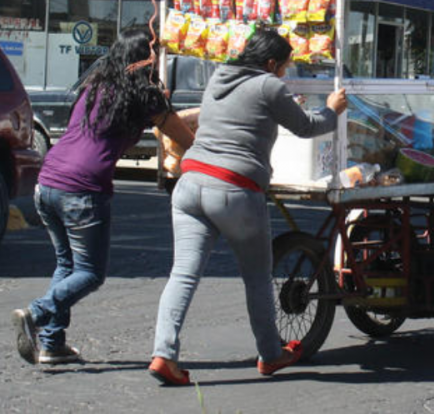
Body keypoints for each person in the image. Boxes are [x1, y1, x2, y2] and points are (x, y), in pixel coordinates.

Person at [148, 26, 347, 386]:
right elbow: (305, 127)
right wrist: (332, 110)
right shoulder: (268, 85)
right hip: (233, 190)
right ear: (271, 63)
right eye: (285, 66)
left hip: (190, 184)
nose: (286, 74)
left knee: (183, 274)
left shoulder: (219, 77)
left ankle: (164, 354)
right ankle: (271, 355)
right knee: (257, 277)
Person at [12, 29, 195, 366]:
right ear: (148, 60)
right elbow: (186, 139)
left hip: (48, 180)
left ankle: (52, 344)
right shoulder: (145, 96)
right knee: (90, 273)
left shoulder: (96, 84)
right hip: (82, 190)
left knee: (67, 266)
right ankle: (36, 314)